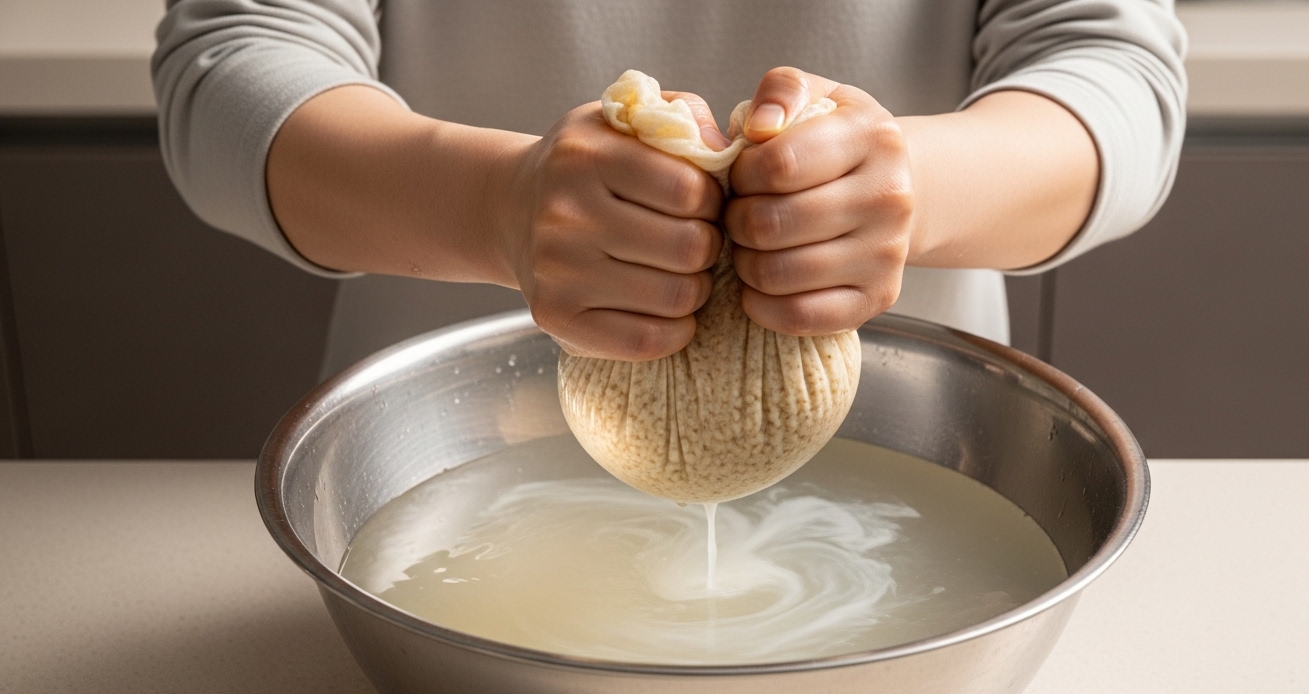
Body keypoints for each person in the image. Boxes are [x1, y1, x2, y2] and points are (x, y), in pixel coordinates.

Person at [152, 0, 1185, 376]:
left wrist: (916, 183)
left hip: (917, 471)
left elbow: (1114, 72)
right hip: (436, 480)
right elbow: (231, 65)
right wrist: (491, 208)